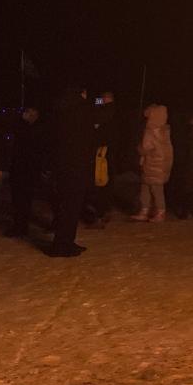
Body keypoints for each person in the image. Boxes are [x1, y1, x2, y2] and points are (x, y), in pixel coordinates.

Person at [49, 85, 96, 257]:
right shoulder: (81, 110)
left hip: (62, 166)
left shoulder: (60, 110)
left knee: (64, 207)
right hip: (76, 165)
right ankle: (63, 244)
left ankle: (63, 242)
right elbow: (98, 110)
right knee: (72, 207)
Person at [7, 105, 46, 238]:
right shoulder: (25, 127)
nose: (27, 114)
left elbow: (30, 143)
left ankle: (21, 227)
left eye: (30, 111)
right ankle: (19, 225)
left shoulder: (37, 129)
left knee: (24, 199)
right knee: (18, 199)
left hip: (28, 169)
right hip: (19, 168)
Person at [132, 104, 173, 222]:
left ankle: (156, 212)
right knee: (151, 188)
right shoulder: (165, 131)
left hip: (152, 164)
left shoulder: (150, 131)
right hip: (161, 165)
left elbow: (145, 147)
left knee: (152, 189)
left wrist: (138, 148)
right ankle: (148, 211)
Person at [83, 91, 116, 227]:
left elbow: (95, 112)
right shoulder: (112, 110)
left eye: (103, 98)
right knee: (105, 183)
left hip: (102, 152)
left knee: (100, 183)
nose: (100, 100)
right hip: (108, 151)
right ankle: (104, 211)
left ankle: (100, 215)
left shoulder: (107, 112)